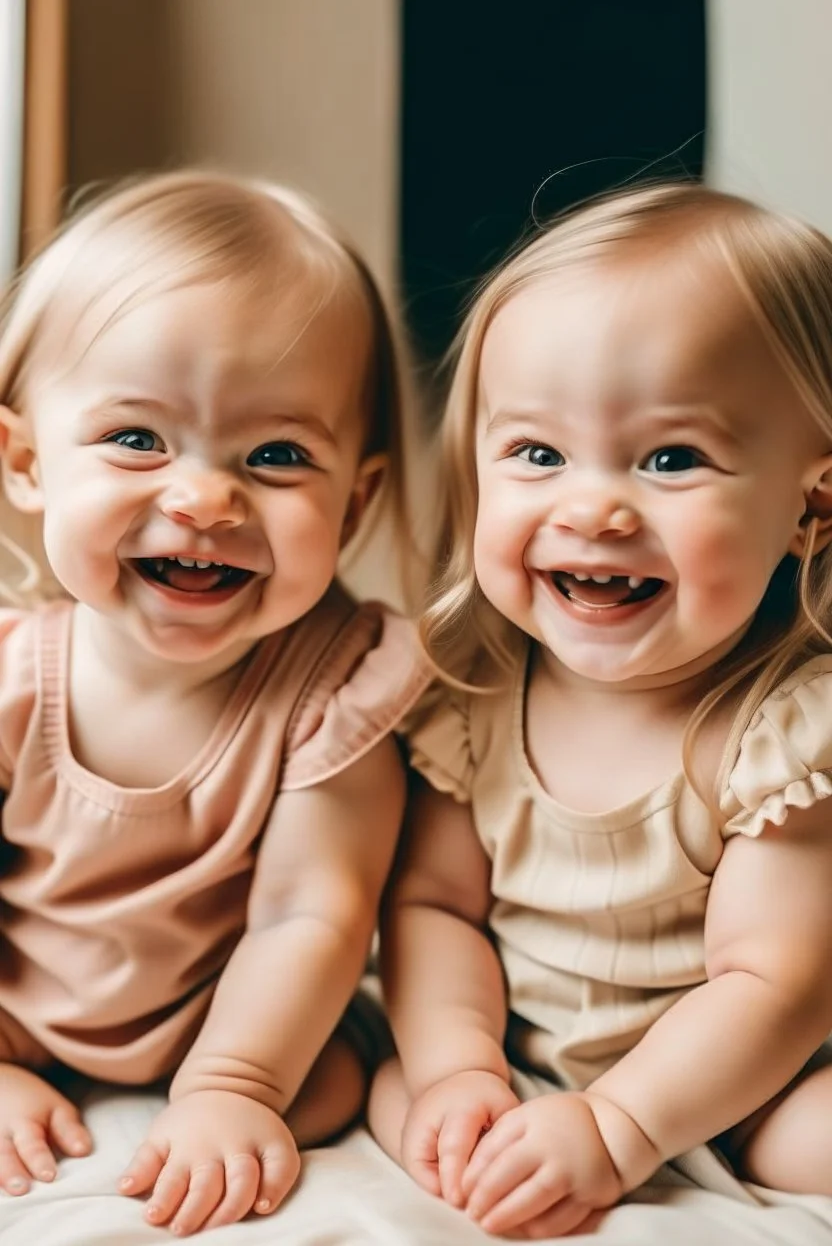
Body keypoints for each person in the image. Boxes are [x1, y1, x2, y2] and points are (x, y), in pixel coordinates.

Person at [369, 182, 832, 1240]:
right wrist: (456, 1069)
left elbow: (771, 985)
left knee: (817, 1139)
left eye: (669, 459)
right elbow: (436, 910)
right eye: (536, 454)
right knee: (390, 1091)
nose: (590, 507)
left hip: (741, 1085)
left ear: (812, 505)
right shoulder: (475, 695)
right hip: (524, 1053)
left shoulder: (780, 730)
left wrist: (622, 1128)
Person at [0, 169, 429, 1236]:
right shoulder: (14, 675)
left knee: (328, 1085)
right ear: (26, 461)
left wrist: (233, 1086)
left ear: (356, 499)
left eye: (278, 456)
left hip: (231, 1021)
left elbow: (311, 912)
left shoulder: (337, 683)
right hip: (21, 1010)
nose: (202, 498)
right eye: (137, 440)